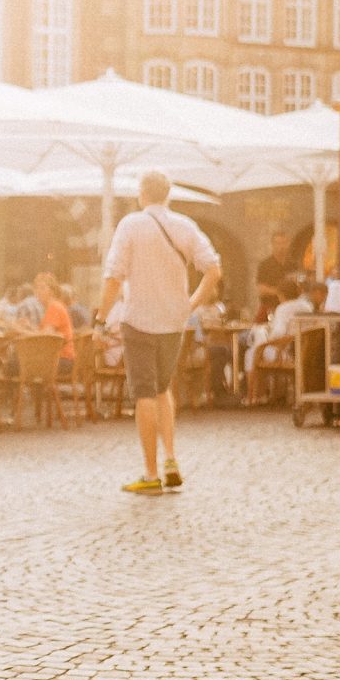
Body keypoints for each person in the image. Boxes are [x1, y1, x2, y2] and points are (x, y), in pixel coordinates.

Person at [94, 171, 222, 495]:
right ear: (169, 195)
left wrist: (100, 320)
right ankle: (171, 459)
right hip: (173, 321)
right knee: (163, 388)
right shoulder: (184, 225)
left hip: (138, 319)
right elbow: (214, 270)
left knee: (144, 394)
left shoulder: (130, 225)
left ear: (141, 194)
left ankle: (150, 473)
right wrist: (191, 304)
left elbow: (113, 278)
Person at [255, 231, 298, 319]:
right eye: (278, 243)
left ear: (288, 244)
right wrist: (279, 292)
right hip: (270, 308)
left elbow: (297, 285)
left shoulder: (293, 265)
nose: (281, 246)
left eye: (283, 243)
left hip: (289, 308)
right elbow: (261, 289)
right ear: (272, 245)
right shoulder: (265, 265)